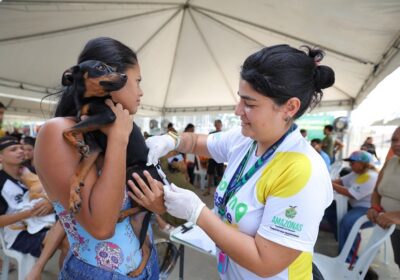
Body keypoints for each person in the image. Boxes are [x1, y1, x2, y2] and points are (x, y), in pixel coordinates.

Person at [144, 44, 335, 279]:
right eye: (240, 99)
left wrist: (198, 213)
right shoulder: (246, 139)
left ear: (290, 107)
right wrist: (170, 140)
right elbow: (193, 142)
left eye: (250, 104)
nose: (237, 110)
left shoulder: (303, 171)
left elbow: (266, 263)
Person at [34, 37, 164, 279]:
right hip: (100, 273)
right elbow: (102, 226)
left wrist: (156, 205)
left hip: (145, 262)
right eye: (136, 81)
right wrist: (118, 139)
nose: (140, 91)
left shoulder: (103, 131)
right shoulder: (57, 131)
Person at [0, 136, 68, 280]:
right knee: (68, 243)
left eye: (21, 148)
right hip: (18, 234)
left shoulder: (28, 172)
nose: (20, 151)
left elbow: (50, 192)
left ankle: (46, 271)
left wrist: (49, 202)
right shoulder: (1, 182)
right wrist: (30, 213)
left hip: (43, 222)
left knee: (73, 237)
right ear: (1, 157)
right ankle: (37, 271)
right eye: (13, 149)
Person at [327, 151, 377, 262]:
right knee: (330, 211)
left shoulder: (370, 176)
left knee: (348, 223)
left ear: (362, 163)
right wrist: (327, 181)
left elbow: (350, 193)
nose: (350, 165)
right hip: (354, 206)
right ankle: (343, 242)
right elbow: (340, 181)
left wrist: (328, 183)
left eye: (352, 162)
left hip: (368, 209)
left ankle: (349, 259)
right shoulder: (356, 173)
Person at [367, 126, 400, 269]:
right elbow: (376, 192)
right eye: (394, 140)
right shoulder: (391, 162)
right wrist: (375, 207)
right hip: (392, 227)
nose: (397, 143)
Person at [203, 119, 224, 196]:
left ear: (221, 125)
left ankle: (219, 192)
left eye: (219, 124)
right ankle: (208, 190)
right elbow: (208, 144)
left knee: (220, 175)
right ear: (215, 125)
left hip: (220, 156)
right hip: (212, 156)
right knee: (210, 173)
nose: (217, 126)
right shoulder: (211, 134)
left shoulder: (224, 134)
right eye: (216, 124)